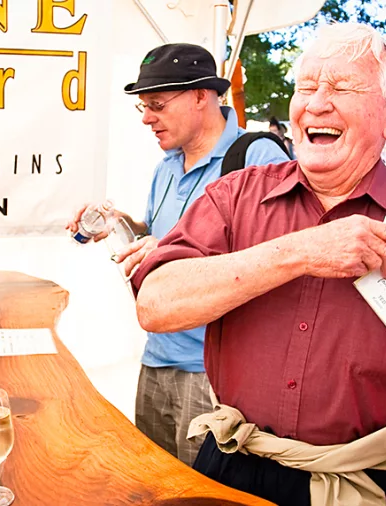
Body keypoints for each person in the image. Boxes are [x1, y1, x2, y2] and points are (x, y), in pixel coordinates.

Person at [132, 23, 386, 506]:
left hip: (368, 484)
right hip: (230, 467)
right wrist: (301, 251)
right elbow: (156, 304)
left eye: (341, 87)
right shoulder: (235, 196)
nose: (315, 104)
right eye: (306, 87)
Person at [66, 43, 288, 467]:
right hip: (157, 357)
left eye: (157, 105)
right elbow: (159, 236)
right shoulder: (166, 166)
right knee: (154, 486)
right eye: (143, 107)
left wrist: (166, 249)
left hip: (217, 373)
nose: (148, 118)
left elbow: (277, 259)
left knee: (204, 496)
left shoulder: (257, 156)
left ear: (202, 96)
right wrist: (117, 223)